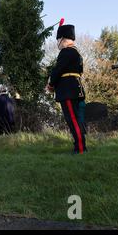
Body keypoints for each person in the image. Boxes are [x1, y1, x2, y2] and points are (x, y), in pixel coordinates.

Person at [47, 24, 87, 154]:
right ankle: (80, 146)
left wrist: (51, 84)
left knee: (73, 120)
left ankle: (80, 149)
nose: (58, 43)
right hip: (76, 88)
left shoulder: (66, 52)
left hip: (68, 89)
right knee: (78, 119)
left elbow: (58, 70)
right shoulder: (77, 54)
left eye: (59, 40)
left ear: (63, 39)